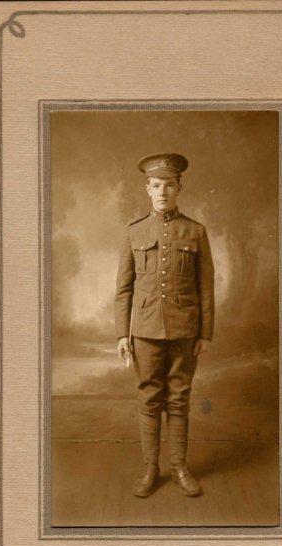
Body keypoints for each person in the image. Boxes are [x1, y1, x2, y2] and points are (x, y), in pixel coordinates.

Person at [114, 153, 214, 498]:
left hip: (185, 329)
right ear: (147, 189)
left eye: (169, 185)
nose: (162, 192)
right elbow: (123, 289)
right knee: (149, 399)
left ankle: (180, 467)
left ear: (179, 187)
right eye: (156, 186)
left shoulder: (195, 231)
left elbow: (206, 287)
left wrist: (205, 333)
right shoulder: (134, 232)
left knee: (179, 399)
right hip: (144, 331)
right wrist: (122, 334)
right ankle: (150, 468)